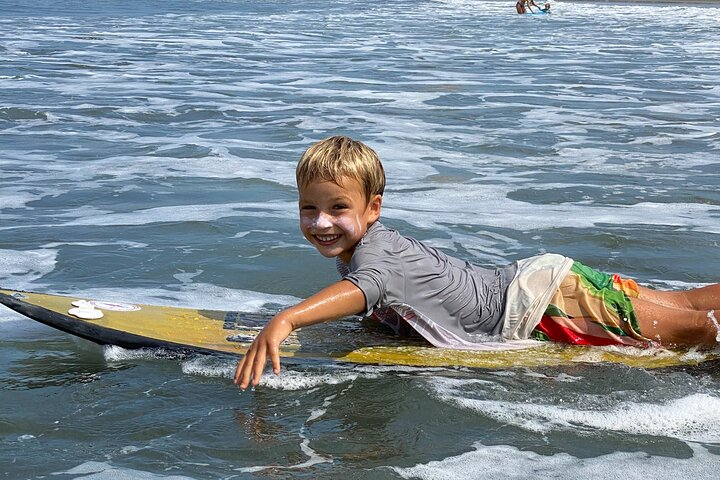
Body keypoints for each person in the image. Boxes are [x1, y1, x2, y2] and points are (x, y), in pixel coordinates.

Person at [234, 136, 720, 389]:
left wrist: (287, 320)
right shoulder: (367, 245)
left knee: (698, 332)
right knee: (683, 303)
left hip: (546, 305)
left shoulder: (374, 255)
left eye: (338, 208)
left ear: (373, 208)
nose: (322, 221)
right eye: (309, 208)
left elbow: (371, 287)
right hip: (546, 284)